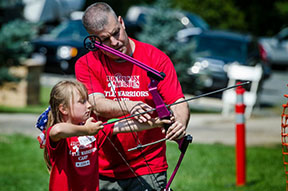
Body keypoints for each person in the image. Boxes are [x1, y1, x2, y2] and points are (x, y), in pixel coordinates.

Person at [75, 2, 190, 191]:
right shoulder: (86, 64)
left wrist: (180, 123)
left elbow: (178, 101)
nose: (114, 42)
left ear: (122, 22)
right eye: (105, 40)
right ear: (93, 40)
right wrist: (129, 106)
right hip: (102, 168)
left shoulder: (155, 58)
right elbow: (96, 103)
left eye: (116, 33)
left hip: (149, 166)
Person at [43, 80, 173, 191]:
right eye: (82, 102)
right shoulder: (62, 137)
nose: (89, 105)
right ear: (63, 109)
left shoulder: (93, 130)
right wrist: (87, 130)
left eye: (87, 100)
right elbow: (57, 130)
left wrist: (157, 123)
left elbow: (123, 126)